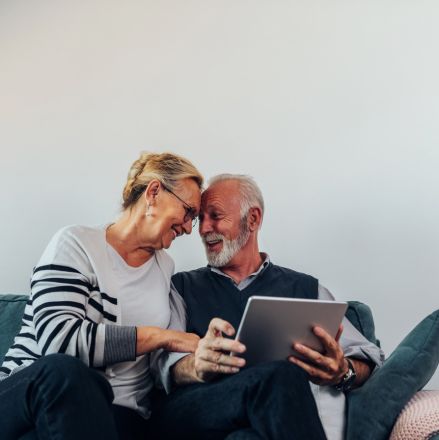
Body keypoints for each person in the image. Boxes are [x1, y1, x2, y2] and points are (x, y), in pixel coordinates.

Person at [150, 174, 384, 440]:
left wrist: (344, 371)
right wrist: (195, 365)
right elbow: (161, 364)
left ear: (253, 219)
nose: (203, 229)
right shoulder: (180, 287)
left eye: (215, 216)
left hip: (268, 419)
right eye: (200, 218)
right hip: (196, 410)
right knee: (280, 376)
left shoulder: (308, 290)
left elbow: (368, 357)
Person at [0, 152, 204, 440]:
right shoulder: (75, 244)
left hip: (116, 417)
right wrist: (161, 336)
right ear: (154, 192)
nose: (187, 227)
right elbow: (59, 341)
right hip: (30, 396)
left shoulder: (165, 270)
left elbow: (169, 358)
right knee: (65, 372)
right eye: (188, 212)